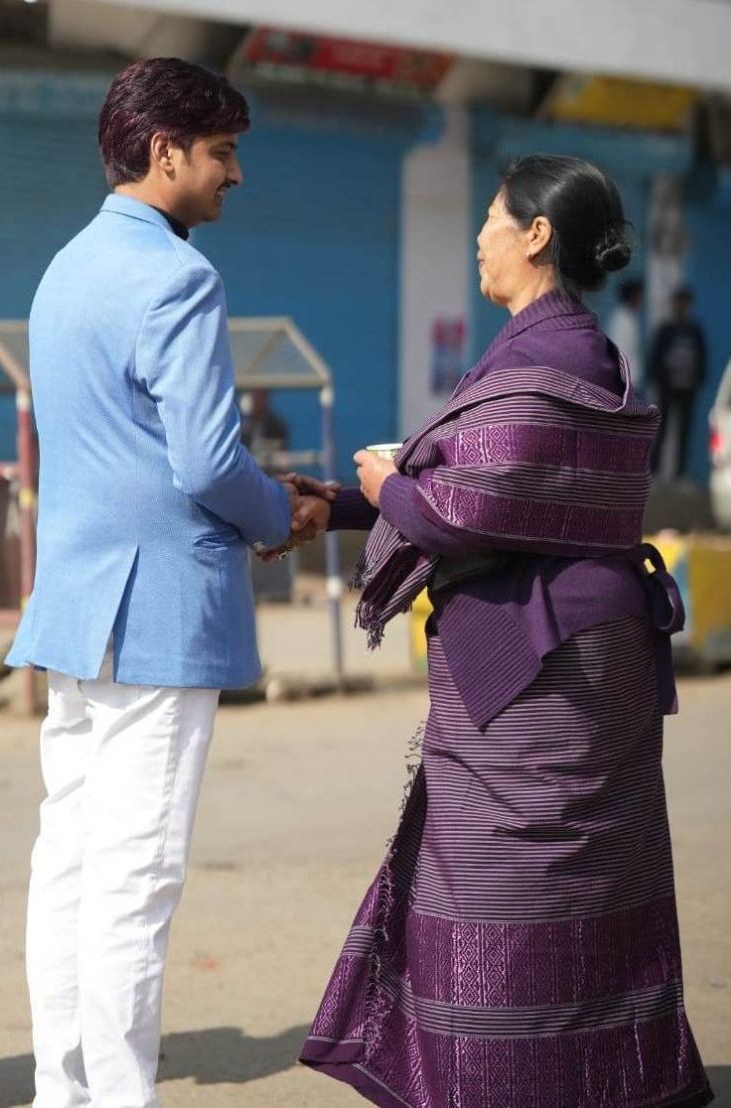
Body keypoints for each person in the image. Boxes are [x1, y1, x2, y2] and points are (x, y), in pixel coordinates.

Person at [289, 155, 712, 1107]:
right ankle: (598, 1078)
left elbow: (456, 514)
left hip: (538, 671)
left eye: (491, 217)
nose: (478, 234)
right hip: (586, 657)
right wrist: (342, 506)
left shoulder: (541, 362)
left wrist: (382, 488)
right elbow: (507, 499)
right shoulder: (566, 353)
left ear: (535, 235)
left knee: (497, 894)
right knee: (578, 886)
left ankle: (500, 1080)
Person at [5, 58, 328, 1108]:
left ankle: (64, 1091)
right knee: (133, 881)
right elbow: (204, 463)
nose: (233, 175)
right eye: (222, 151)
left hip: (76, 611)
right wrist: (282, 514)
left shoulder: (63, 268)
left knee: (69, 867)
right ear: (164, 152)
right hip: (158, 619)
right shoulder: (180, 278)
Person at [649, 286, 708, 479]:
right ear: (675, 304)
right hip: (667, 388)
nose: (683, 306)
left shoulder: (695, 331)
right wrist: (657, 380)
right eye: (680, 302)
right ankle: (655, 471)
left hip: (688, 389)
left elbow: (702, 358)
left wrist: (699, 380)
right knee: (662, 428)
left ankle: (680, 474)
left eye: (686, 302)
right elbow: (656, 357)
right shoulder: (666, 329)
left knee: (685, 432)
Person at [607, 276, 645, 392]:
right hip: (625, 384)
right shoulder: (621, 320)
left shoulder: (630, 318)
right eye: (639, 295)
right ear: (633, 297)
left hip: (630, 382)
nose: (642, 299)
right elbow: (619, 353)